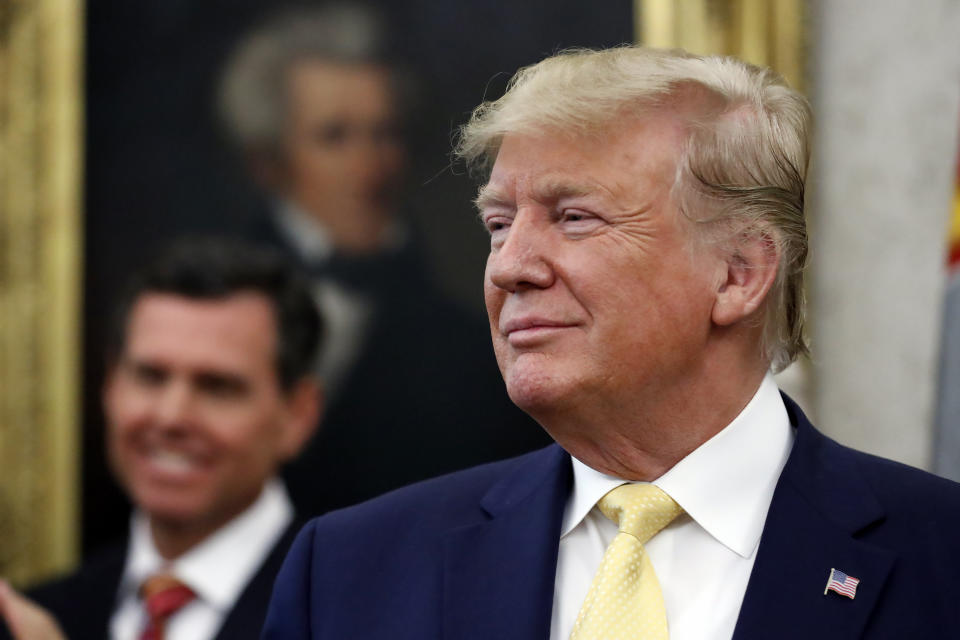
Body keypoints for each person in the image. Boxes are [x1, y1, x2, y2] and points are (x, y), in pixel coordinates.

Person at [262, 46, 960, 639]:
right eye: (499, 224)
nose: (509, 267)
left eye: (573, 217)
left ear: (738, 274)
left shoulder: (941, 557)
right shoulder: (352, 572)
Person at [218, 3, 550, 517]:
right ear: (268, 162)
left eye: (385, 134)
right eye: (335, 137)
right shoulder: (202, 312)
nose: (369, 166)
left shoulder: (468, 348)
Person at [5, 239, 322, 640]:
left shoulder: (346, 613)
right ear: (109, 385)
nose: (171, 417)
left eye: (217, 387)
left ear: (298, 415)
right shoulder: (40, 615)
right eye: (150, 376)